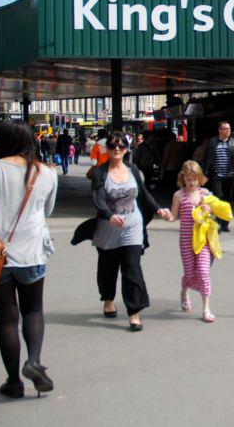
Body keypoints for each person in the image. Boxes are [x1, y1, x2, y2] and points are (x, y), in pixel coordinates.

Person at [0, 121, 58, 399]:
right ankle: (33, 361)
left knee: (7, 319)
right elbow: (49, 209)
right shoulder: (45, 171)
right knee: (33, 310)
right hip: (33, 252)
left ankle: (13, 382)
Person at [91, 131, 170, 331]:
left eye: (121, 146)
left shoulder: (133, 169)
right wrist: (109, 215)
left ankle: (135, 312)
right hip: (109, 228)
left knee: (132, 267)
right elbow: (99, 199)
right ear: (107, 149)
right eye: (113, 146)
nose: (117, 150)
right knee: (108, 268)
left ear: (126, 149)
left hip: (132, 226)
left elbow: (143, 194)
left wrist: (158, 209)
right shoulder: (100, 172)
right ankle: (108, 299)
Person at [166, 160, 232, 323]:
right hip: (186, 240)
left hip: (203, 240)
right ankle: (184, 293)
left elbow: (219, 211)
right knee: (190, 272)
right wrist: (167, 215)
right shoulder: (179, 195)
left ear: (200, 178)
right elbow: (174, 216)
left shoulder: (206, 194)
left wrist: (210, 210)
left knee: (203, 272)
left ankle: (206, 309)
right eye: (188, 179)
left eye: (195, 178)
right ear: (183, 179)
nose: (192, 182)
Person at [202, 121, 234, 233]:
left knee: (227, 200)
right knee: (218, 198)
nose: (228, 131)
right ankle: (218, 223)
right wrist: (204, 174)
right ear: (219, 130)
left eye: (229, 129)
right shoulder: (213, 142)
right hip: (217, 175)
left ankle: (225, 224)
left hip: (230, 175)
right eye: (225, 128)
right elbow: (205, 158)